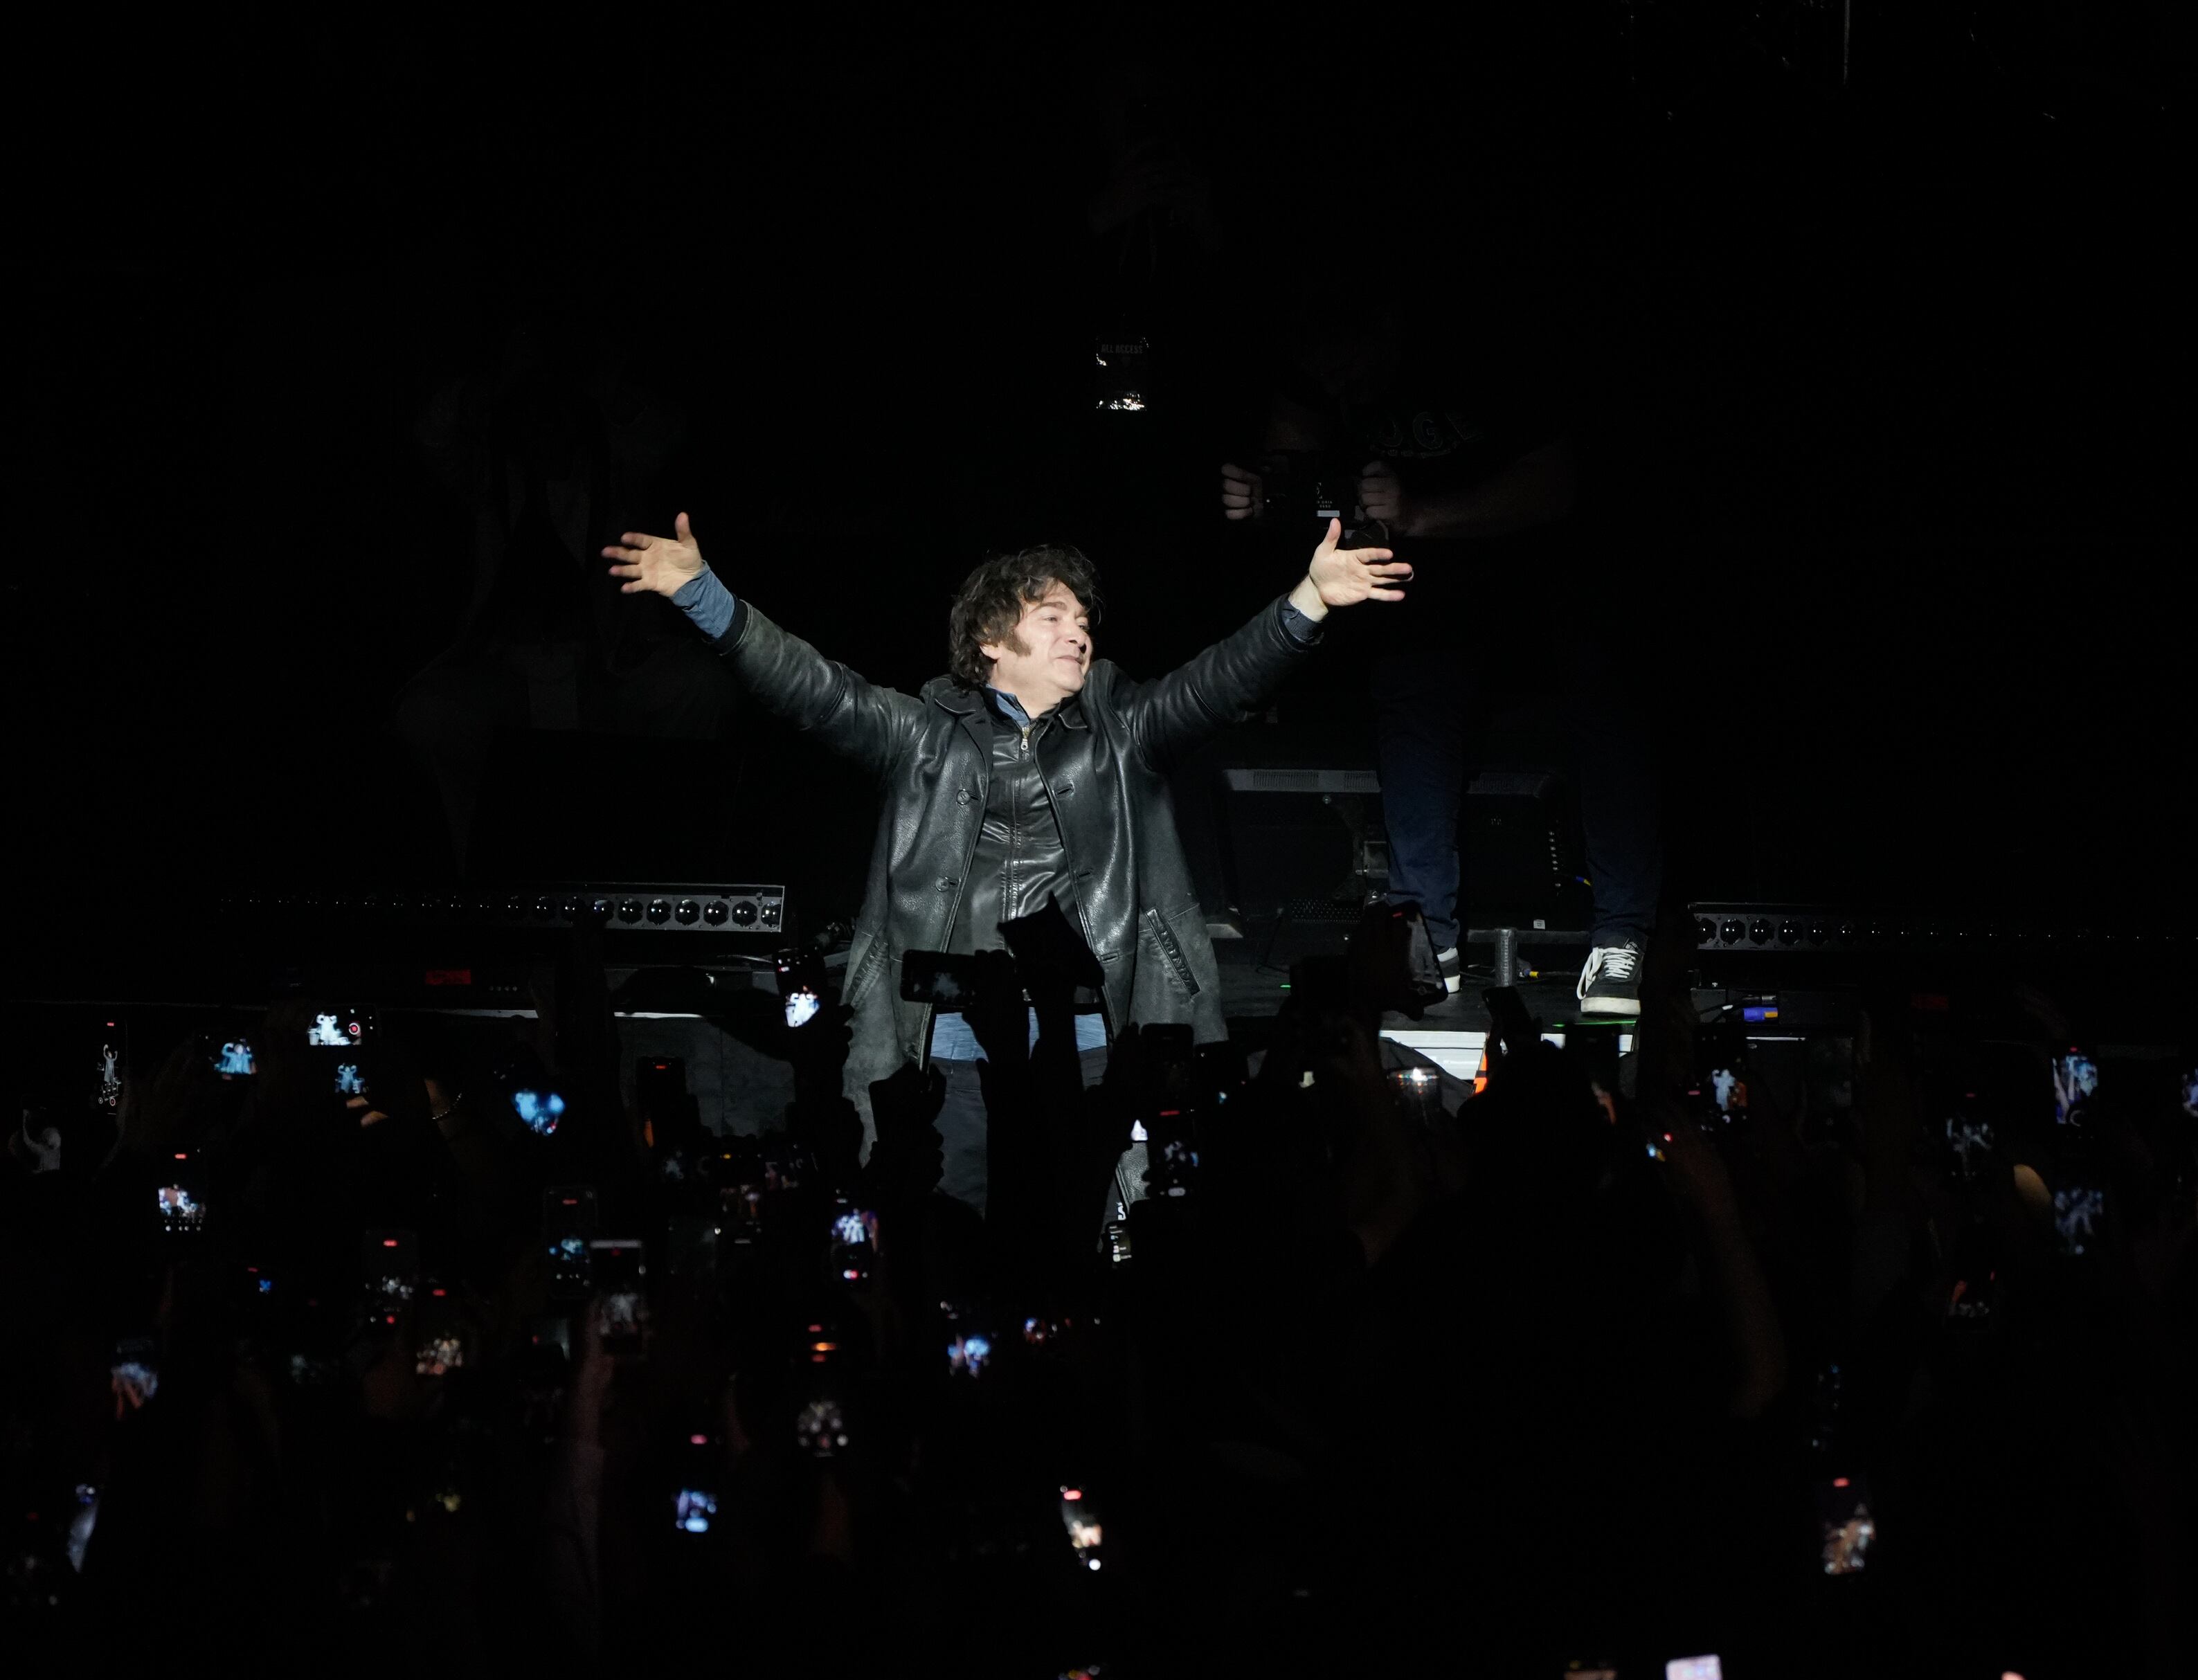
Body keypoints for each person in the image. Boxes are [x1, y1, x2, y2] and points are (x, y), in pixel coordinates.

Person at [602, 510, 1412, 1209]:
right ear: (993, 640)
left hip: (1097, 1037)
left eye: (1084, 619)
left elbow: (1218, 683)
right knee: (954, 1229)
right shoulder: (922, 734)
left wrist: (1309, 602)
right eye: (1052, 615)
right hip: (952, 1045)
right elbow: (814, 690)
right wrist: (704, 596)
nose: (1079, 630)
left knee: (1097, 1238)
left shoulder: (1123, 729)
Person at [1219, 264, 1659, 1020]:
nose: (1341, 386)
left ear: (1387, 329)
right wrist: (1265, 498)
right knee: (1412, 693)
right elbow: (1291, 459)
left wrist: (1421, 511)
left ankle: (1620, 934)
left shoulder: (1481, 350)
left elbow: (1555, 484)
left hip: (1554, 564)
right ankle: (1425, 937)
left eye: (1350, 365)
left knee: (1607, 700)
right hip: (1436, 593)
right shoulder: (1314, 363)